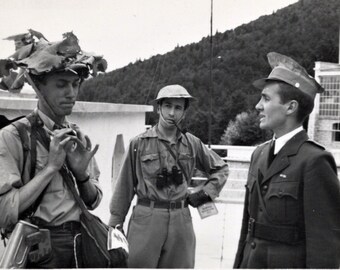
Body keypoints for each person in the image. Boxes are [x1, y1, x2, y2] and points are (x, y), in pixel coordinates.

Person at [0, 30, 107, 268]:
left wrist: (82, 176)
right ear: (38, 86)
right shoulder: (14, 136)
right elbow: (4, 212)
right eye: (61, 85)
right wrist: (50, 168)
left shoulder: (78, 136)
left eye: (75, 84)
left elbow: (93, 200)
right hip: (39, 246)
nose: (71, 93)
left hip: (81, 243)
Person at [233, 52, 340, 269]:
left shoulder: (314, 160)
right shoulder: (259, 154)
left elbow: (325, 244)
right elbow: (248, 228)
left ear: (290, 107)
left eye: (266, 98)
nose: (257, 106)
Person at [109, 84, 229, 268]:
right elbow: (124, 188)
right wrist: (115, 228)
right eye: (167, 106)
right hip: (147, 217)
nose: (172, 113)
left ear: (184, 113)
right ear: (159, 108)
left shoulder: (193, 143)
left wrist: (205, 193)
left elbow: (221, 169)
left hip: (181, 218)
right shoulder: (138, 144)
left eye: (178, 107)